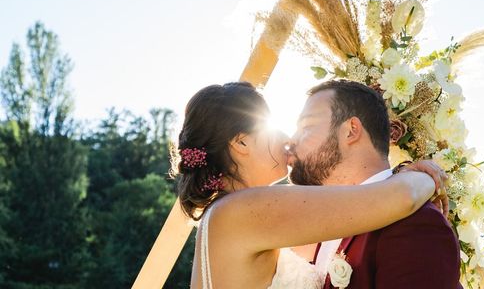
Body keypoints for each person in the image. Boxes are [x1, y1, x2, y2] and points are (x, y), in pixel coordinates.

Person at [171, 81, 447, 289]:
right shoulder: (245, 210)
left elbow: (344, 219)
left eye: (304, 126)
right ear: (241, 142)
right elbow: (402, 197)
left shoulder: (232, 215)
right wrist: (426, 174)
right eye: (273, 126)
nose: (288, 139)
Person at [289, 79, 463, 288]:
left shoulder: (416, 224)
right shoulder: (322, 227)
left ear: (351, 130)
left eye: (306, 126)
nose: (292, 140)